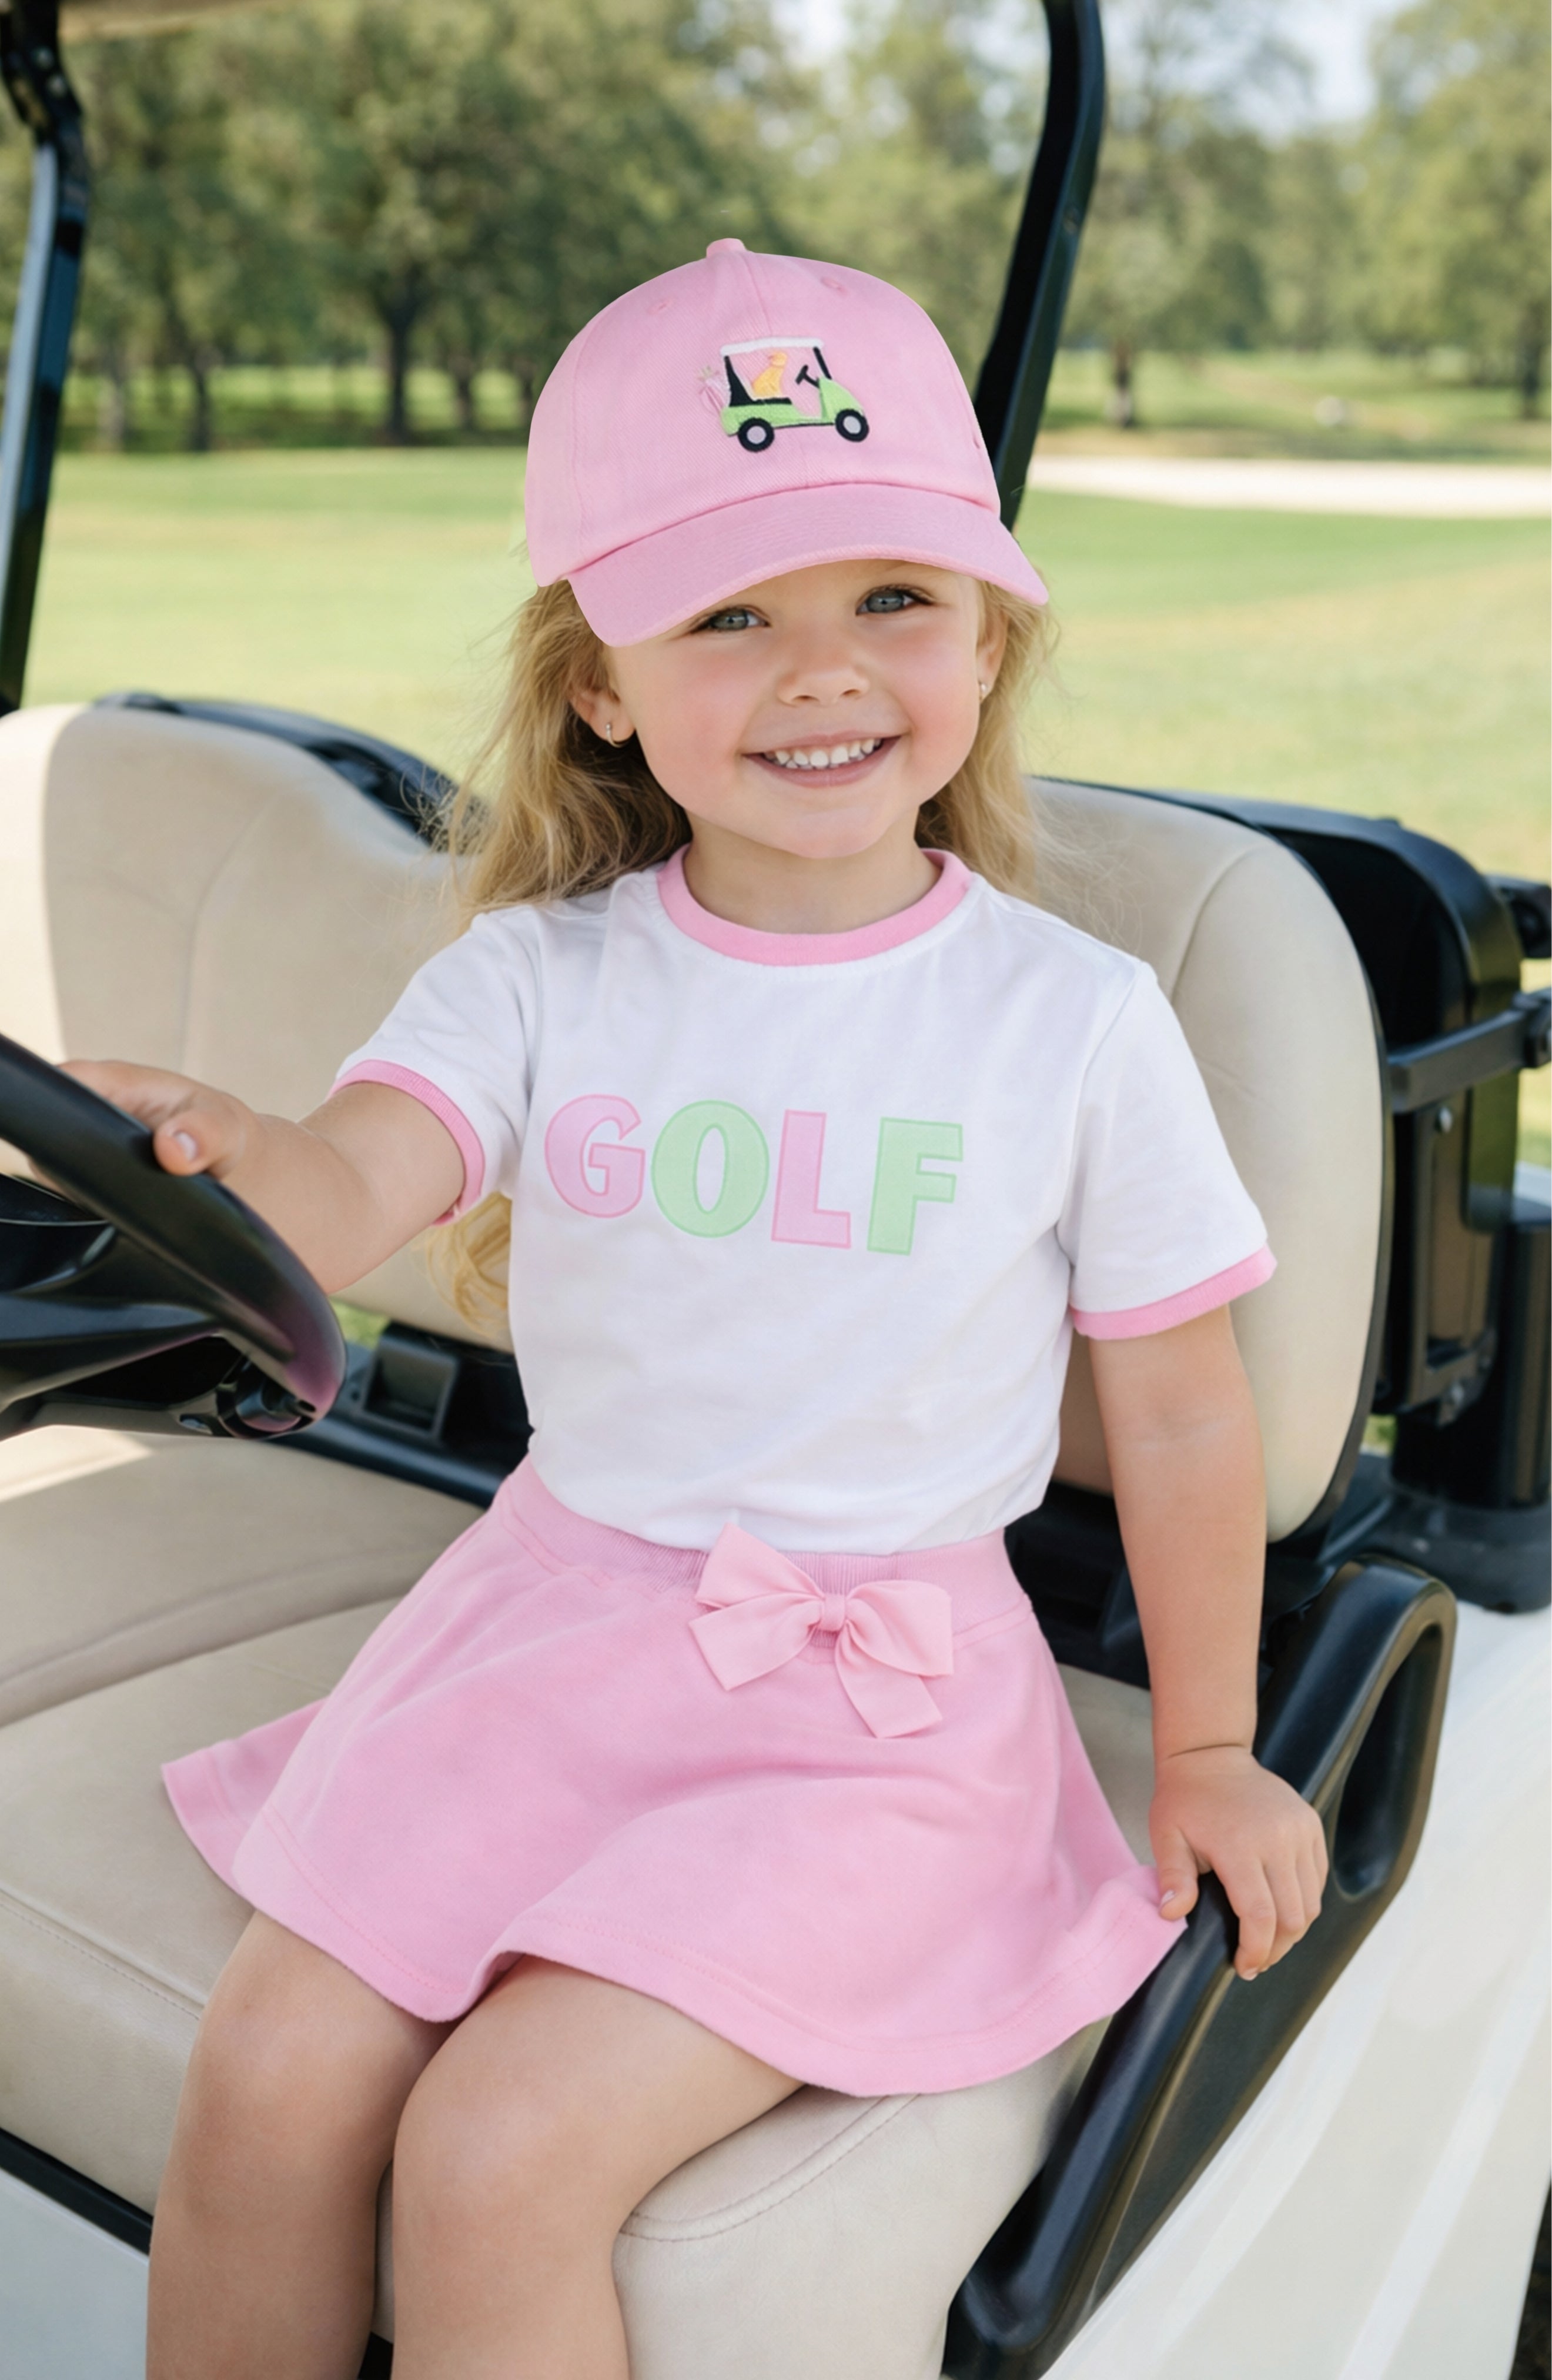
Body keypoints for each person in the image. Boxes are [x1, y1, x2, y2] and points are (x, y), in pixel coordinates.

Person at [73, 240, 1327, 2380]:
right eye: (731, 614)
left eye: (890, 599)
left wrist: (1205, 1745)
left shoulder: (1072, 1023)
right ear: (603, 681)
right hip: (549, 1634)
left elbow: (1190, 1422)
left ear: (988, 632)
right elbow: (357, 1170)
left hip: (873, 1707)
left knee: (502, 2152)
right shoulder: (541, 977)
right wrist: (224, 1145)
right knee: (274, 2076)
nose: (821, 672)